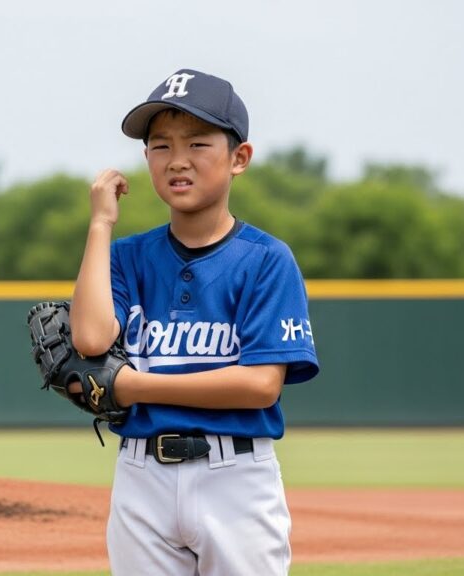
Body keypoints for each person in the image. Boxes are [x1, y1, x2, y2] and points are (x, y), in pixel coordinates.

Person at [69, 69, 319, 574]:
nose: (177, 160)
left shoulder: (266, 259)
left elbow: (259, 386)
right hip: (141, 475)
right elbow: (90, 338)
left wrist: (134, 386)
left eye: (198, 143)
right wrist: (100, 224)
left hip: (237, 478)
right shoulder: (127, 257)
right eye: (160, 146)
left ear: (239, 158)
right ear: (146, 160)